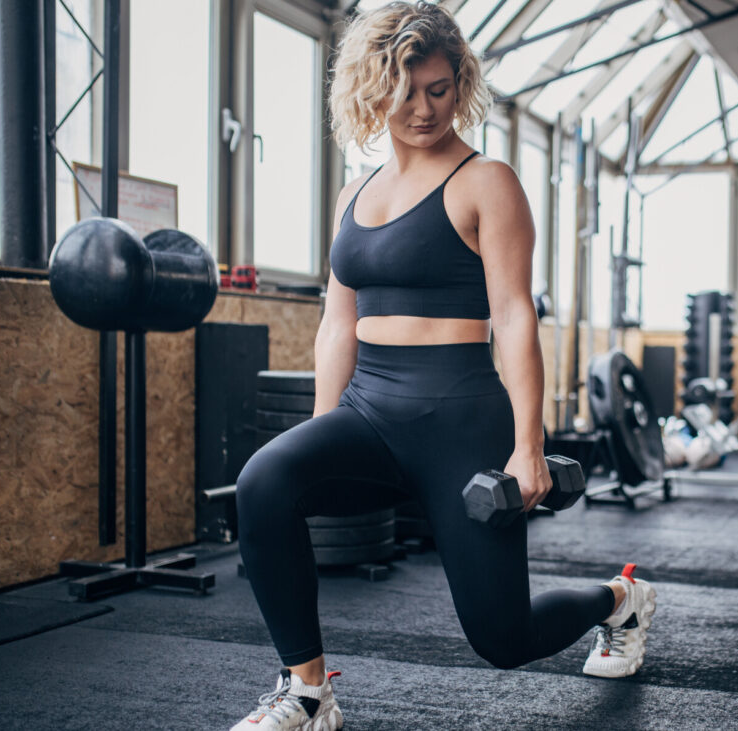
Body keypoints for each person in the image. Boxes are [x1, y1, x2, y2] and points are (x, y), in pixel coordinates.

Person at [230, 3, 656, 729]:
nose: (424, 109)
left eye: (439, 89)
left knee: (503, 639)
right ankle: (306, 691)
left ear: (460, 85)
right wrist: (320, 433)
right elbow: (338, 324)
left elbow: (515, 316)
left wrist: (528, 445)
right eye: (406, 92)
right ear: (374, 90)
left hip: (459, 421)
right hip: (369, 412)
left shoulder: (486, 181)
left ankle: (620, 601)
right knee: (265, 479)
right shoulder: (353, 194)